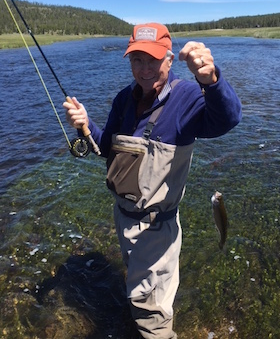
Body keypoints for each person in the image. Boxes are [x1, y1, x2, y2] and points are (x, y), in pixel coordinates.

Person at [63, 23, 242, 339]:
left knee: (153, 318)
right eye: (137, 60)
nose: (145, 69)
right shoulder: (124, 99)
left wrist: (211, 80)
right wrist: (85, 123)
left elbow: (226, 119)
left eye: (153, 60)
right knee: (140, 290)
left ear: (170, 60)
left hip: (157, 231)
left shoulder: (186, 97)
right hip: (124, 217)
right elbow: (109, 148)